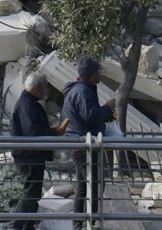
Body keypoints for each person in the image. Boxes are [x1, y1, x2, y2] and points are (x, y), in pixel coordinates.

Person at [62, 55, 115, 230]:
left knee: (83, 187)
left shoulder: (80, 89)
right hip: (83, 146)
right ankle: (91, 223)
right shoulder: (83, 91)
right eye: (98, 72)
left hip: (79, 144)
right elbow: (90, 115)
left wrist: (105, 115)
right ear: (91, 75)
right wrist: (108, 108)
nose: (99, 75)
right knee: (96, 184)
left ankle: (79, 224)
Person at [10, 72, 66, 230]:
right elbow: (33, 133)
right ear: (36, 88)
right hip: (29, 156)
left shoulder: (29, 103)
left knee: (32, 193)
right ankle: (16, 225)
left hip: (30, 155)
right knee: (30, 193)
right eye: (45, 87)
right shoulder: (27, 105)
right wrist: (54, 132)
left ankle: (26, 226)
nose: (47, 90)